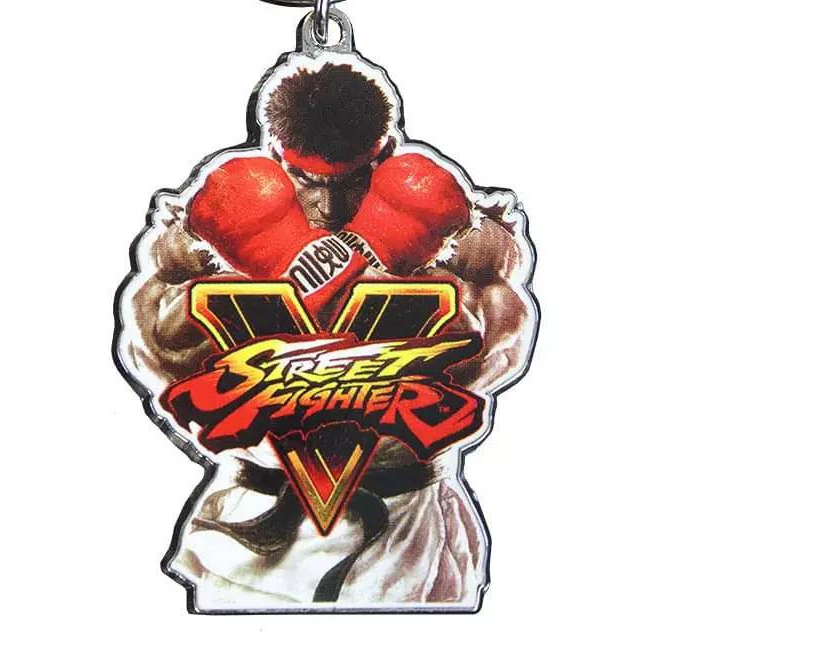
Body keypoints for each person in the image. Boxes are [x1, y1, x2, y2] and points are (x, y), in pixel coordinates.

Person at [116, 53, 538, 611]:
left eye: (354, 181)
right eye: (307, 181)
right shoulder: (204, 230)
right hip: (253, 509)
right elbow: (158, 353)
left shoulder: (457, 232)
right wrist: (252, 270)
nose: (329, 205)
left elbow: (492, 352)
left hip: (407, 513)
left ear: (385, 156)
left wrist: (397, 265)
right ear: (275, 157)